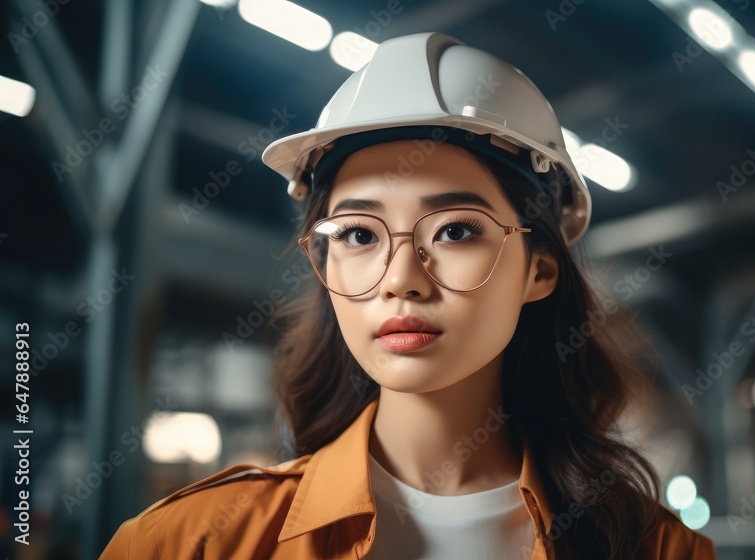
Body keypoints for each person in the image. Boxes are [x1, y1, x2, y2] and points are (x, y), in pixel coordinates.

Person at [100, 32, 716, 559]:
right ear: (323, 260)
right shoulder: (188, 543)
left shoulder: (656, 549)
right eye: (360, 234)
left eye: (455, 230)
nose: (401, 278)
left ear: (540, 270)